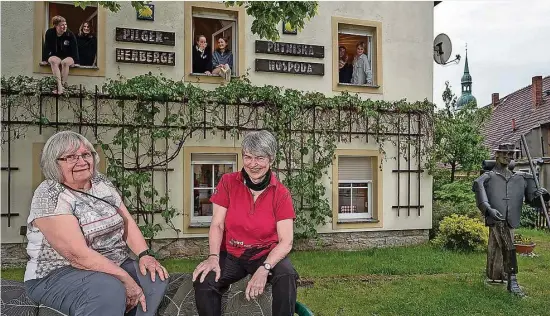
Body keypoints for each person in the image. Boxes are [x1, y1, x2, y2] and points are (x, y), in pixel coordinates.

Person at [24, 131, 169, 316]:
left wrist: (144, 255)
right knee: (109, 289)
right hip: (59, 272)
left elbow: (126, 221)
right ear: (54, 163)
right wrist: (125, 279)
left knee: (155, 277)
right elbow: (78, 256)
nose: (82, 161)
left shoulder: (100, 182)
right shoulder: (49, 194)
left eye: (86, 154)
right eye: (71, 157)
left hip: (113, 261)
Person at [192, 130, 299, 316]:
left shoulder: (281, 194)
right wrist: (213, 257)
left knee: (287, 275)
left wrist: (264, 268)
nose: (253, 164)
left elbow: (286, 241)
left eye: (259, 158)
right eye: (247, 157)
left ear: (271, 159)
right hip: (233, 253)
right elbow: (217, 224)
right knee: (204, 281)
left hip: (265, 253)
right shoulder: (228, 182)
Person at [472, 143, 549, 296]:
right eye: (504, 154)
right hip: (495, 216)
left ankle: (494, 274)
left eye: (511, 154)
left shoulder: (520, 178)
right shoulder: (486, 177)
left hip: (511, 217)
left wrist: (542, 194)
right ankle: (512, 279)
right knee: (508, 244)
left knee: (496, 244)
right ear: (497, 155)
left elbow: (532, 200)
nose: (508, 157)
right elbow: (481, 195)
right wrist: (488, 209)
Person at [40, 16, 80, 95]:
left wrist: (76, 61)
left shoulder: (70, 34)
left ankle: (62, 86)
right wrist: (45, 59)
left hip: (68, 57)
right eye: (62, 25)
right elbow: (46, 47)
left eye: (65, 24)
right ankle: (59, 86)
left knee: (65, 63)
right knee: (53, 60)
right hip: (55, 55)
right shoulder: (49, 33)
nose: (64, 26)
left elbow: (75, 49)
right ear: (56, 25)